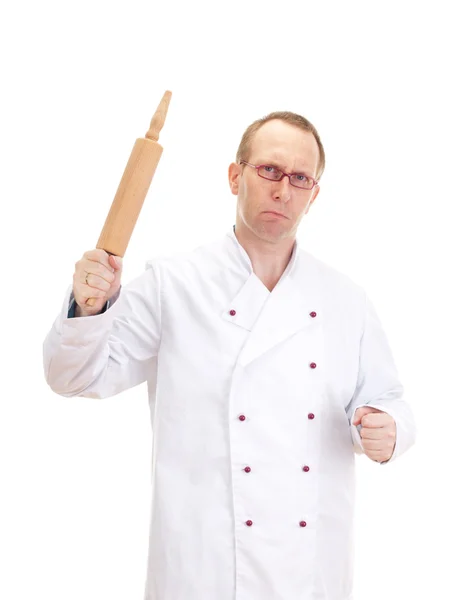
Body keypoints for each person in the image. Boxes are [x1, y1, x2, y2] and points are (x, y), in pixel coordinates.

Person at [43, 111, 416, 600]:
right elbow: (72, 377)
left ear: (314, 194)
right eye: (269, 171)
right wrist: (88, 306)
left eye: (300, 178)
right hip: (202, 566)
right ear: (235, 176)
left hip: (309, 574)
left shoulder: (346, 299)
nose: (283, 190)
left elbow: (390, 400)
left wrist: (390, 430)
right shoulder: (172, 283)